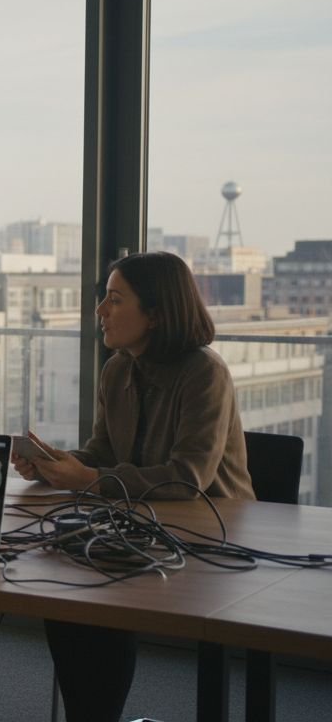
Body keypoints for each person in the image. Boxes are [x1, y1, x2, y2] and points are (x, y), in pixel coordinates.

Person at [13, 250, 253, 722]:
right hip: (135, 525)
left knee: (100, 597)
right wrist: (57, 464)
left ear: (157, 314)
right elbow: (102, 453)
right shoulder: (118, 369)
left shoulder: (205, 373)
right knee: (63, 590)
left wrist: (90, 479)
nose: (100, 311)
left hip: (211, 536)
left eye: (115, 300)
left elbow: (188, 478)